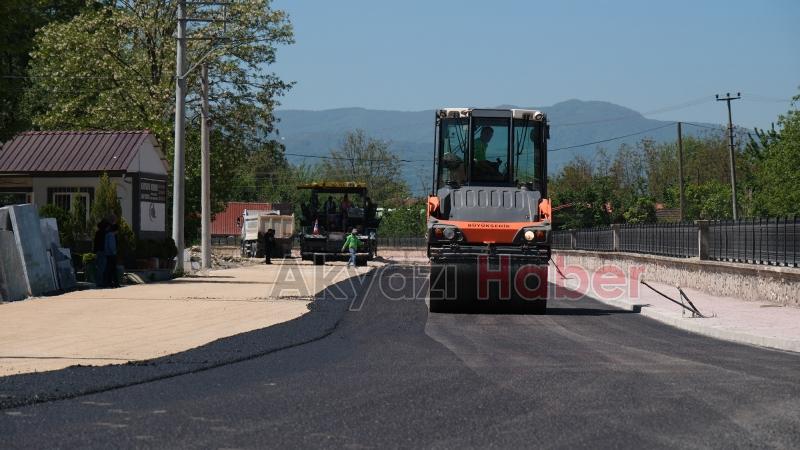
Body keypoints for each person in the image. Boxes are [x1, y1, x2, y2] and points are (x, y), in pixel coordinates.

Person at [92, 219, 109, 287]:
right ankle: (101, 282)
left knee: (99, 267)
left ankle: (98, 282)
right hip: (103, 251)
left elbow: (95, 243)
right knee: (103, 267)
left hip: (98, 251)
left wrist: (94, 252)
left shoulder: (98, 232)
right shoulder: (105, 233)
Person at [104, 223, 119, 288]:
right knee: (113, 269)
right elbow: (111, 246)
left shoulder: (107, 235)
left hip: (107, 254)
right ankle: (115, 283)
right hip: (112, 254)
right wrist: (114, 252)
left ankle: (109, 283)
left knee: (109, 269)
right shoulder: (111, 235)